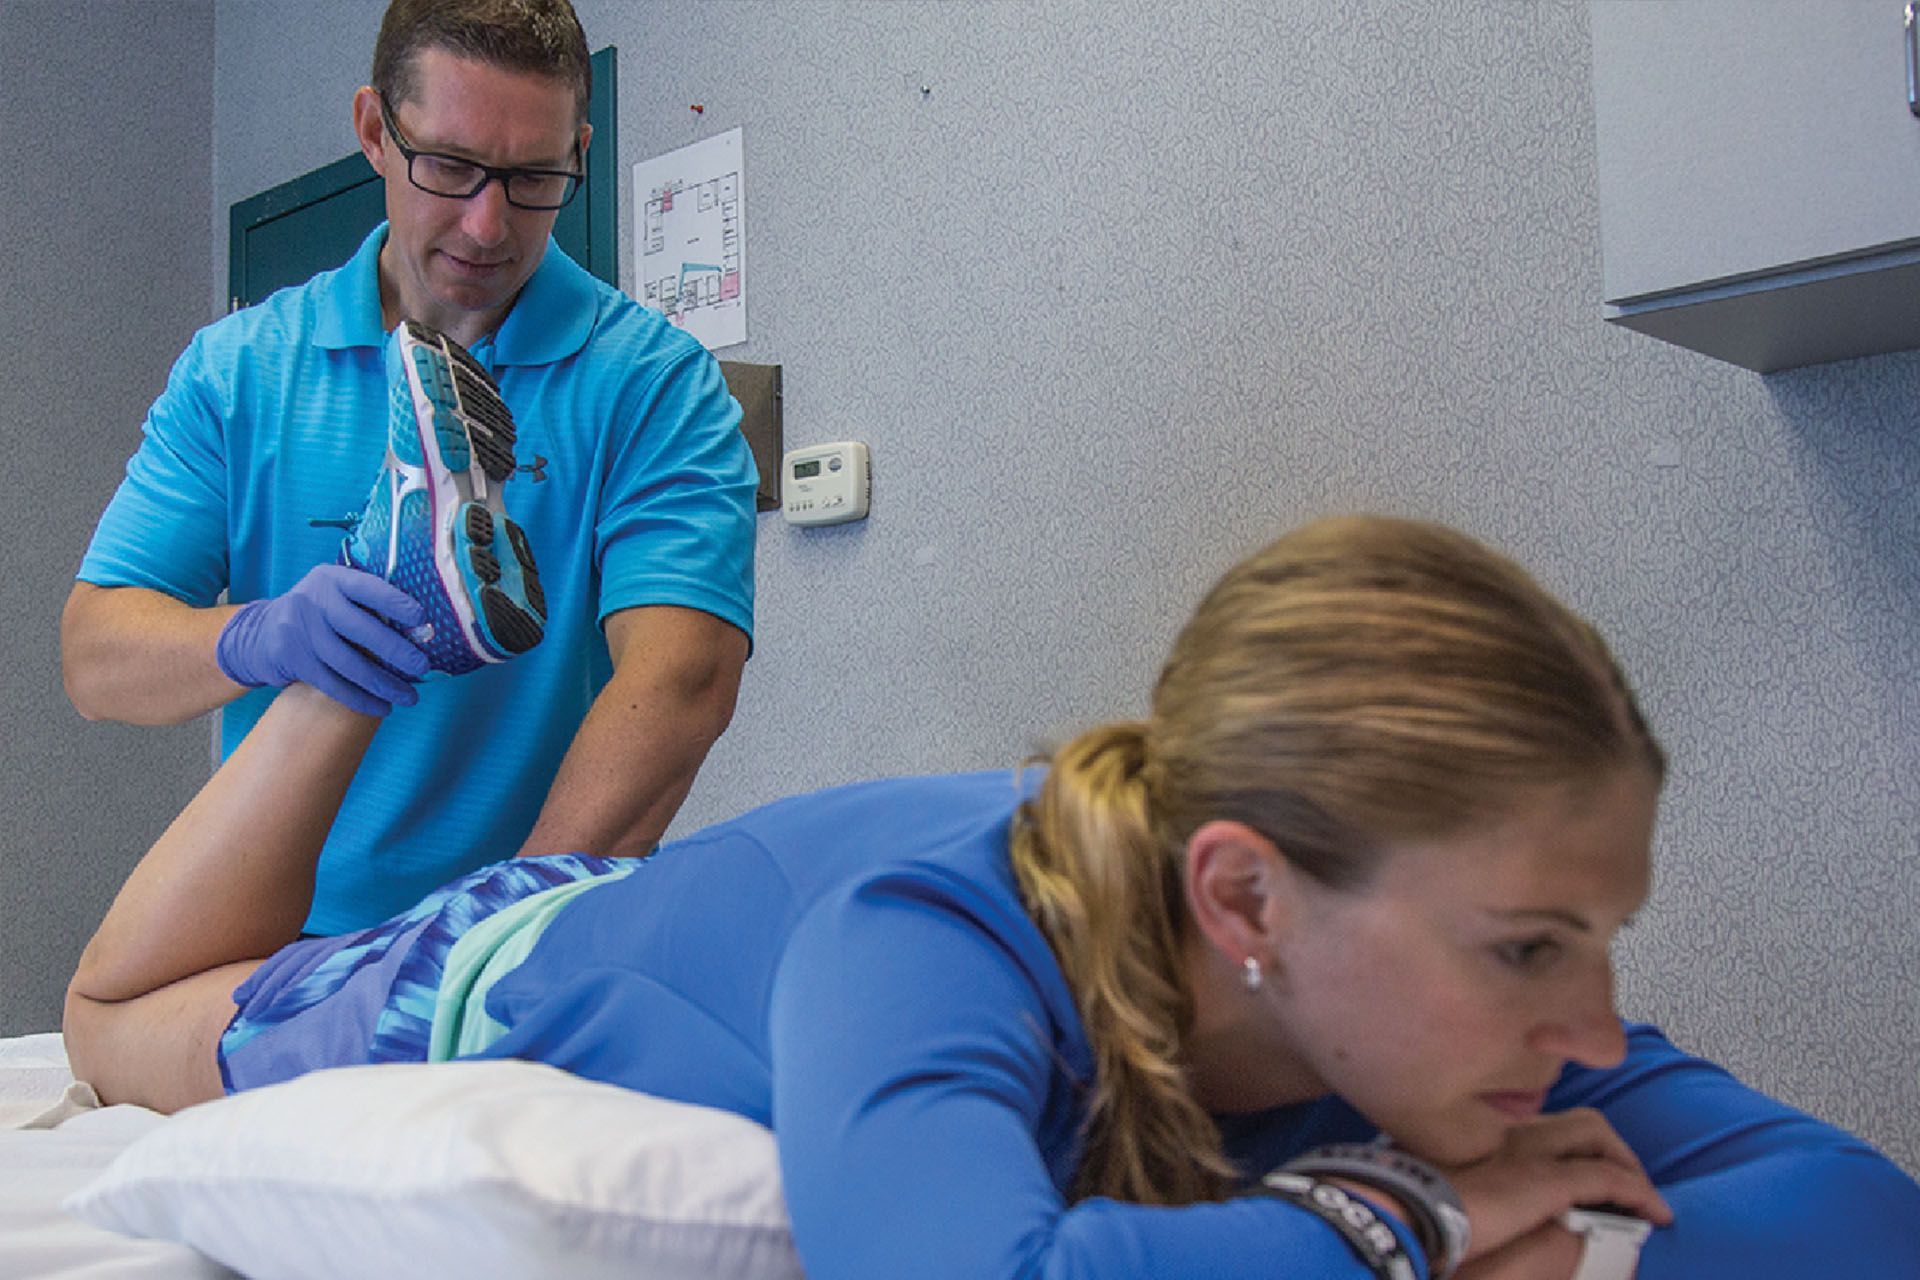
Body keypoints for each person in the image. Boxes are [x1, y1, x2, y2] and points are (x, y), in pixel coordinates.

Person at [64, 515, 1920, 1279]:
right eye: (1527, 947)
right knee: (107, 1027)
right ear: (1247, 897)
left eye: (1597, 940)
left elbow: (1858, 1209)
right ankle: (333, 664)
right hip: (498, 959)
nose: (1591, 1028)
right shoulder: (940, 928)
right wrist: (1409, 1215)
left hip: (695, 903)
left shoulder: (1459, 1017)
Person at [59, 0, 757, 935]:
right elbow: (96, 656)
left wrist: (488, 941)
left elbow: (683, 679)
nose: (487, 224)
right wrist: (257, 636)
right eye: (450, 166)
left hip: (520, 921)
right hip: (273, 930)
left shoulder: (654, 382)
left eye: (534, 177)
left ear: (580, 153)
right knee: (102, 1002)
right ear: (373, 132)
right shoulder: (240, 369)